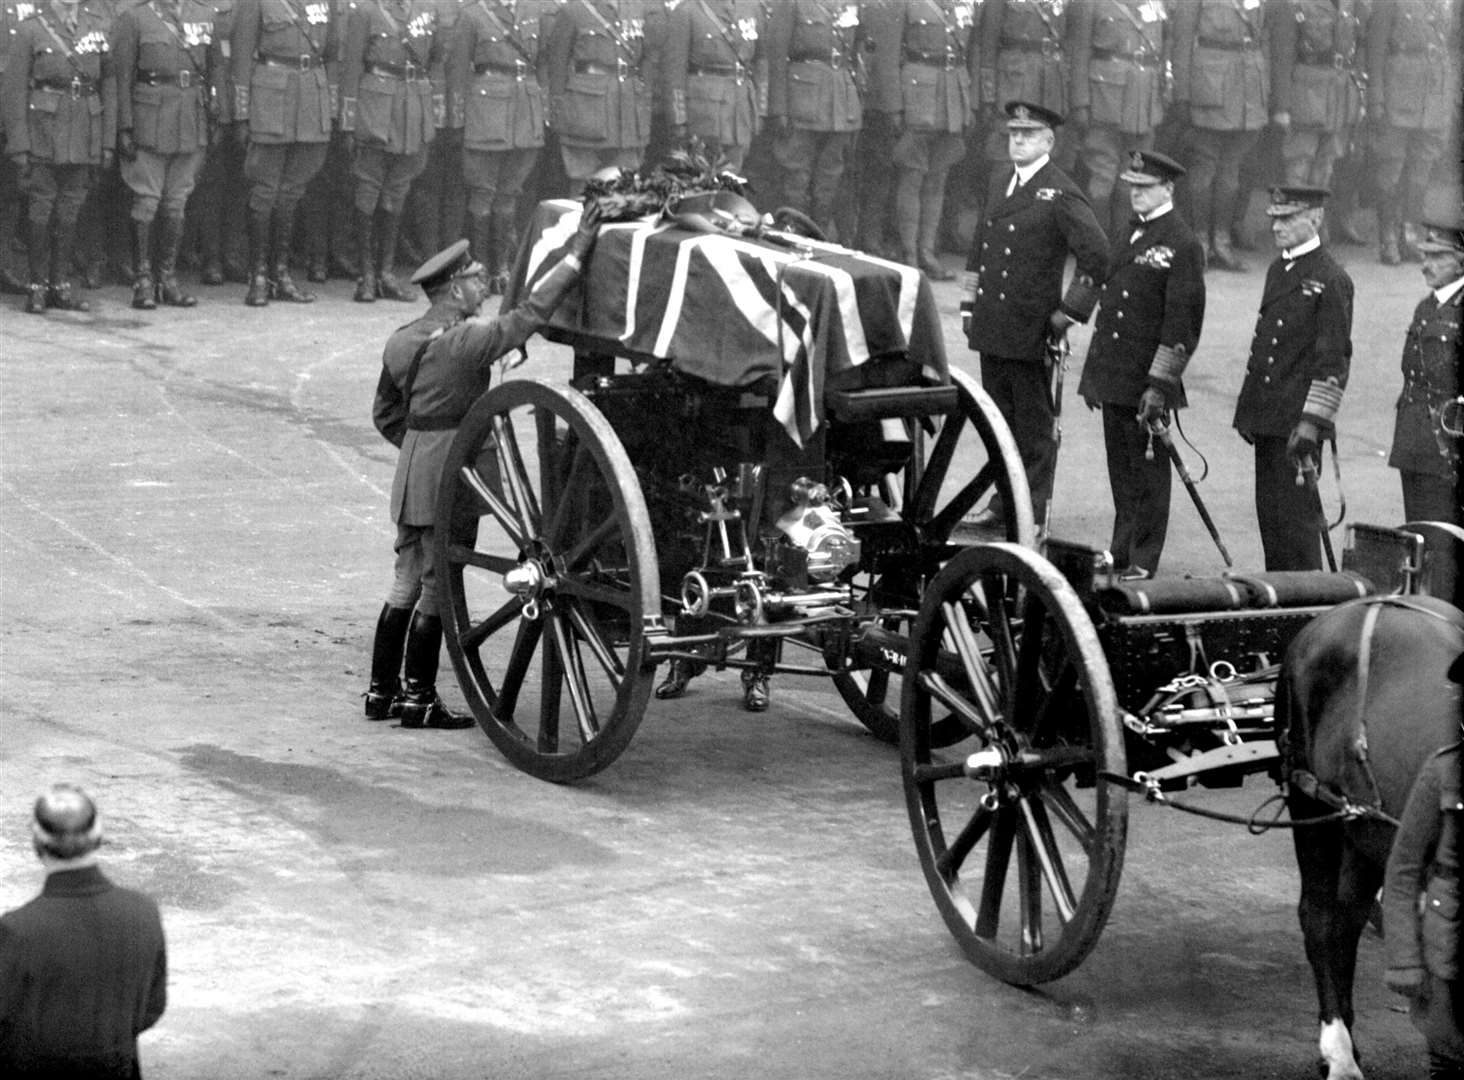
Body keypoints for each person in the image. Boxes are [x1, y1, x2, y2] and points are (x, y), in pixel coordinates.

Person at [365, 203, 603, 728]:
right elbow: (531, 315)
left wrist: (418, 446)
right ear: (454, 290)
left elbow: (385, 414)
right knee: (436, 586)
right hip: (451, 472)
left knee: (405, 579)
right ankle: (419, 699)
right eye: (474, 280)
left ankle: (381, 693)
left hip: (411, 474)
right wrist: (578, 251)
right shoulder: (466, 341)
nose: (484, 285)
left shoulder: (402, 340)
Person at [960, 100, 1108, 531]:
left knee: (1034, 430)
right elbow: (979, 247)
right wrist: (970, 304)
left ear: (1049, 142)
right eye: (1013, 133)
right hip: (993, 323)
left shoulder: (1059, 191)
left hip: (1030, 327)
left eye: (1028, 134)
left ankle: (1033, 510)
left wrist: (1070, 312)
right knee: (998, 424)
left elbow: (1097, 254)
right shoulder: (1000, 179)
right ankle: (1005, 502)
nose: (1018, 140)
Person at [1078, 149, 1206, 581]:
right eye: (1132, 187)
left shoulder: (1182, 243)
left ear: (1167, 189)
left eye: (1145, 188)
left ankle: (1144, 557)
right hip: (1116, 371)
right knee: (1121, 470)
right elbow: (1112, 305)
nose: (1136, 195)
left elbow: (1182, 325)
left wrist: (1160, 384)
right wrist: (1094, 375)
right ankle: (1121, 548)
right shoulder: (1129, 232)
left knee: (1149, 475)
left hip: (1145, 377)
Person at [0, 784, 167, 1079]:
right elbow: (151, 1008)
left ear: (37, 841)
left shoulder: (17, 930)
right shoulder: (143, 912)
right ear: (98, 834)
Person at [1232, 184, 1353, 572]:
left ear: (1315, 219)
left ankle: (1304, 604)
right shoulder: (1278, 268)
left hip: (1298, 422)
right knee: (1270, 519)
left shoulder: (1330, 278)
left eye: (1288, 218)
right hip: (1269, 416)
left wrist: (1313, 422)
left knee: (1298, 526)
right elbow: (1265, 345)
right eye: (1275, 219)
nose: (1277, 226)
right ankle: (1281, 601)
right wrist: (1249, 412)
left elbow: (1333, 361)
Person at [2, 0, 117, 314]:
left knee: (70, 211)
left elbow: (108, 84)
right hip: (43, 132)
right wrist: (20, 145)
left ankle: (60, 285)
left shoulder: (96, 26)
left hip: (84, 130)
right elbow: (14, 92)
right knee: (40, 210)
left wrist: (107, 141)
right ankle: (37, 286)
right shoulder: (31, 28)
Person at [1382, 650, 1463, 1080]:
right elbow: (1402, 872)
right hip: (1448, 950)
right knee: (1449, 1060)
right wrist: (1404, 960)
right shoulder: (1443, 770)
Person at [110, 0, 219, 311]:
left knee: (177, 201)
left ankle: (167, 279)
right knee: (146, 200)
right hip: (149, 120)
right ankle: (143, 281)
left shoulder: (204, 14)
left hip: (190, 118)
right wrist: (125, 127)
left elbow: (215, 70)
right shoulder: (135, 18)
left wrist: (216, 112)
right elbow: (123, 76)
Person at [230, 0, 338, 307]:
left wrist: (329, 108)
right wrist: (241, 114)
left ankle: (282, 275)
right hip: (270, 99)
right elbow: (240, 58)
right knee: (264, 191)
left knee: (291, 192)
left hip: (311, 98)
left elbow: (332, 54)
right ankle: (259, 277)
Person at [864, 0, 976, 279]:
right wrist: (894, 105)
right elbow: (888, 54)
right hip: (917, 93)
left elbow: (974, 51)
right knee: (912, 175)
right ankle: (909, 254)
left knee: (938, 178)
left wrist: (970, 101)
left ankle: (927, 253)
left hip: (953, 92)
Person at [339, 0, 441, 303]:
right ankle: (366, 275)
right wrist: (348, 121)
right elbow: (352, 66)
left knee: (397, 191)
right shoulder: (367, 12)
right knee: (368, 189)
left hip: (413, 107)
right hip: (376, 107)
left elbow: (436, 60)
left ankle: (386, 272)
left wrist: (431, 113)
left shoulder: (427, 9)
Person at [445, 0, 550, 296]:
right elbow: (456, 69)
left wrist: (542, 109)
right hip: (486, 111)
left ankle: (502, 270)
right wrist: (456, 119)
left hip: (524, 109)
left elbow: (541, 63)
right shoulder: (473, 14)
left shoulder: (533, 11)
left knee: (509, 193)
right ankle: (479, 270)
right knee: (482, 192)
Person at [1169, 0, 1280, 273]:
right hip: (1209, 85)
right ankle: (1200, 243)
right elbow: (1181, 42)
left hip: (1249, 89)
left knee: (1231, 169)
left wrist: (1267, 90)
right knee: (1204, 166)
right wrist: (1182, 94)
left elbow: (1264, 40)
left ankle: (1222, 242)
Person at [1365, 0, 1460, 265]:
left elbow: (1451, 47)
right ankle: (1388, 238)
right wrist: (1376, 99)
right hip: (1398, 90)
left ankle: (1410, 235)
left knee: (1422, 168)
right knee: (1391, 166)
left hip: (1433, 92)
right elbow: (1375, 49)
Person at [1067, 0, 1167, 243]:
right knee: (1102, 175)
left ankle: (1123, 243)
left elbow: (1165, 48)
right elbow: (1079, 51)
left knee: (1133, 175)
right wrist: (1080, 101)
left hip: (1144, 98)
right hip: (1105, 98)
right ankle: (1096, 244)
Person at [763, 0, 863, 239]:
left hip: (840, 100)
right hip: (802, 99)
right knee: (796, 176)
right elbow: (776, 56)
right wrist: (779, 108)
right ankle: (792, 237)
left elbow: (857, 50)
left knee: (829, 178)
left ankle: (820, 237)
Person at [1388, 215, 1463, 526]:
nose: (1425, 264)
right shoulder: (1426, 307)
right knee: (1416, 534)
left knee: (1446, 536)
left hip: (1449, 448)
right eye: (1425, 255)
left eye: (1437, 256)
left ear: (1460, 262)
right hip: (1414, 442)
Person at [543, 0, 654, 185]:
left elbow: (648, 59)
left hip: (628, 110)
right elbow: (557, 63)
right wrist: (559, 109)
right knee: (582, 184)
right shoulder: (575, 9)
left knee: (625, 184)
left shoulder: (637, 7)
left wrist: (644, 99)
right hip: (586, 111)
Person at [659, 0, 764, 174]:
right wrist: (678, 118)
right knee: (700, 179)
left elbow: (761, 59)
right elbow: (674, 70)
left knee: (732, 178)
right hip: (704, 115)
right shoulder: (688, 10)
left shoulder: (751, 7)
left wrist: (759, 108)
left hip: (740, 111)